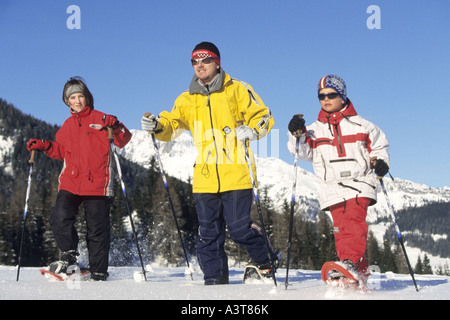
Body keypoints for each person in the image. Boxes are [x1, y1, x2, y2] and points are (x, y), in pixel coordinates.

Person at [141, 42, 279, 285]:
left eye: (205, 60)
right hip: (204, 176)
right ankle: (214, 279)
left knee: (238, 229)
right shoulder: (186, 99)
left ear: (217, 62)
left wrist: (252, 129)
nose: (199, 65)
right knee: (208, 233)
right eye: (195, 61)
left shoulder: (236, 89)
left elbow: (264, 116)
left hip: (237, 171)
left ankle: (266, 261)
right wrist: (158, 126)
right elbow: (171, 124)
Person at [27, 77, 132, 281]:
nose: (77, 101)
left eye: (80, 96)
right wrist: (44, 145)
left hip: (97, 183)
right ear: (67, 101)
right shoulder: (66, 126)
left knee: (97, 231)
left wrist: (116, 125)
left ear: (87, 98)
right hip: (71, 182)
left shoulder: (102, 118)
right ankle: (69, 257)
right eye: (72, 97)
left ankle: (99, 272)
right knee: (60, 216)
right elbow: (61, 151)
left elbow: (123, 140)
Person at [287, 74, 389, 284]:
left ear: (342, 96)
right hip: (331, 188)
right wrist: (295, 133)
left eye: (331, 94)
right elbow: (302, 152)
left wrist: (381, 162)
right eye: (321, 95)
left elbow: (379, 146)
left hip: (359, 184)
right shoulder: (314, 130)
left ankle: (349, 264)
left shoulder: (363, 126)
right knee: (341, 231)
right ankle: (357, 275)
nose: (326, 99)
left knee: (353, 223)